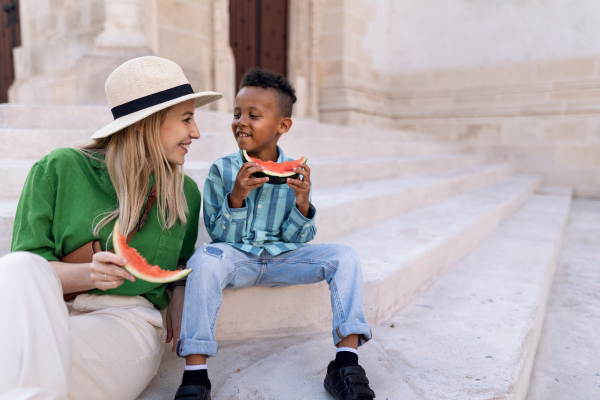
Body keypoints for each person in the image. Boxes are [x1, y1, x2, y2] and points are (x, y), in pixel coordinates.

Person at [0, 56, 222, 400]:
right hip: (47, 313)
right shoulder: (57, 169)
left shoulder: (184, 193)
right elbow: (30, 278)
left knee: (22, 359)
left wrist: (179, 292)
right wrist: (91, 275)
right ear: (147, 123)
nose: (195, 132)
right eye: (187, 118)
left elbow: (180, 265)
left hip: (125, 325)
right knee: (15, 266)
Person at [174, 69, 376, 400]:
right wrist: (236, 196)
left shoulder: (296, 172)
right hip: (237, 259)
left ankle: (346, 362)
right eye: (237, 113)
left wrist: (302, 203)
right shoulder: (222, 170)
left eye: (254, 115)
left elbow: (299, 240)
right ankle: (195, 374)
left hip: (283, 259)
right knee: (204, 259)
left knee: (345, 256)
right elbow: (218, 234)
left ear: (283, 126)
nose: (241, 121)